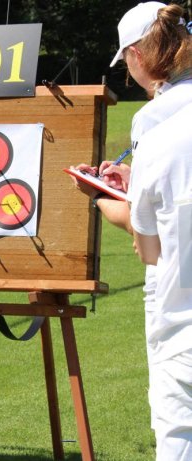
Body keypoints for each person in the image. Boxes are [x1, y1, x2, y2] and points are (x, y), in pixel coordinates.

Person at [72, 2, 192, 459]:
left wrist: (101, 196)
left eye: (126, 63)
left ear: (137, 56)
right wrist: (133, 185)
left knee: (179, 433)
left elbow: (149, 244)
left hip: (179, 315)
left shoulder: (157, 127)